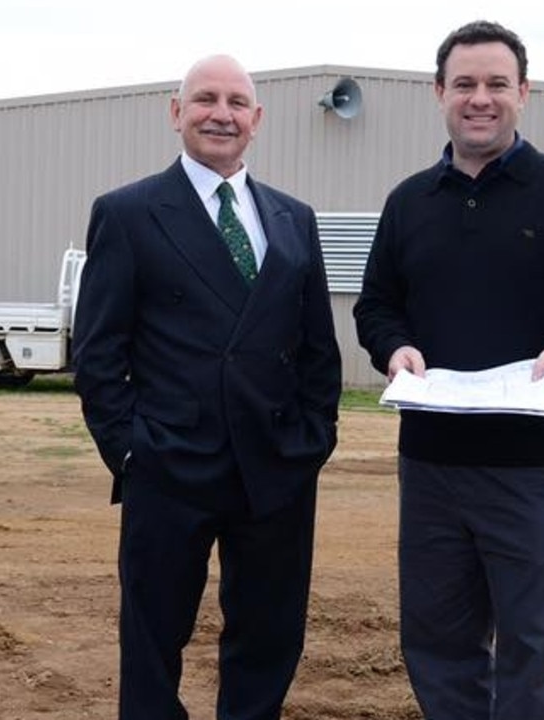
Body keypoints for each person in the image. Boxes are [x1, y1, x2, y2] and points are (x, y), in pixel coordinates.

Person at [353, 20, 544, 720]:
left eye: (495, 84)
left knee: (537, 645)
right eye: (464, 85)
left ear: (524, 92)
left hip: (534, 467)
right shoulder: (408, 203)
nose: (479, 99)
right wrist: (392, 349)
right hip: (431, 466)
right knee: (437, 639)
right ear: (438, 93)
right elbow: (376, 306)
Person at [71, 54, 342, 720]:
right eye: (204, 100)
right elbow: (99, 350)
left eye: (236, 102)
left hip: (275, 467)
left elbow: (317, 350)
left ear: (256, 119)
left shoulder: (292, 218)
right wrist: (132, 451)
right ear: (176, 113)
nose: (221, 113)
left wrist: (311, 438)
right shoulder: (129, 213)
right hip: (170, 466)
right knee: (154, 636)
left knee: (269, 634)